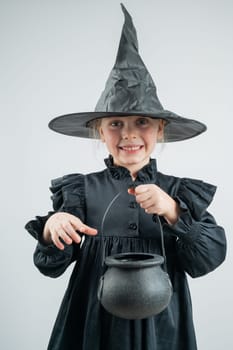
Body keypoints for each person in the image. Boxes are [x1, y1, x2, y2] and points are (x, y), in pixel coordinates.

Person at [25, 4, 226, 350]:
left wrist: (174, 212)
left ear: (160, 129)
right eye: (116, 123)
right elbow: (50, 265)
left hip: (162, 323)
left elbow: (206, 260)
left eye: (142, 122)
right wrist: (52, 226)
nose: (129, 134)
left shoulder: (179, 193)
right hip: (93, 319)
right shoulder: (81, 192)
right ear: (100, 132)